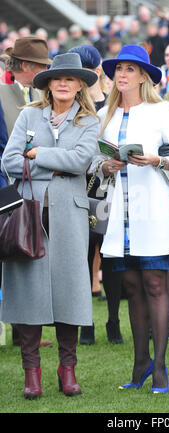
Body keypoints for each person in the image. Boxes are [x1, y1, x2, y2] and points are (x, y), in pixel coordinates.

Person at [0, 52, 99, 399]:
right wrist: (51, 163)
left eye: (70, 79)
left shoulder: (89, 121)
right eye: (57, 78)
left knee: (69, 291)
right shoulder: (29, 114)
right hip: (28, 214)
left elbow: (78, 161)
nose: (63, 84)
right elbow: (9, 160)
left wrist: (37, 154)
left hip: (69, 215)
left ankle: (67, 369)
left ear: (80, 85)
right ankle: (32, 373)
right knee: (28, 291)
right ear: (48, 83)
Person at [96, 44, 169, 393]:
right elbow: (97, 164)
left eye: (129, 70)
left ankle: (160, 366)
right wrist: (108, 165)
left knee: (154, 284)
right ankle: (140, 364)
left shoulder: (161, 110)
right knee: (131, 288)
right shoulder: (108, 113)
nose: (121, 75)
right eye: (118, 69)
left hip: (151, 208)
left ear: (143, 76)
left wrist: (156, 160)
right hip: (118, 211)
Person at [68, 44, 123, 345]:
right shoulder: (73, 104)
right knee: (84, 255)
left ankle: (113, 319)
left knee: (110, 254)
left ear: (96, 70)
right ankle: (85, 322)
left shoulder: (110, 103)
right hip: (81, 183)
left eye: (86, 70)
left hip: (108, 186)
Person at [0, 36, 52, 347]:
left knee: (32, 254)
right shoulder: (3, 93)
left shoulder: (45, 94)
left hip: (38, 186)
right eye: (42, 66)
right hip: (8, 183)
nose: (46, 72)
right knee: (11, 252)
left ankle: (28, 329)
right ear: (26, 66)